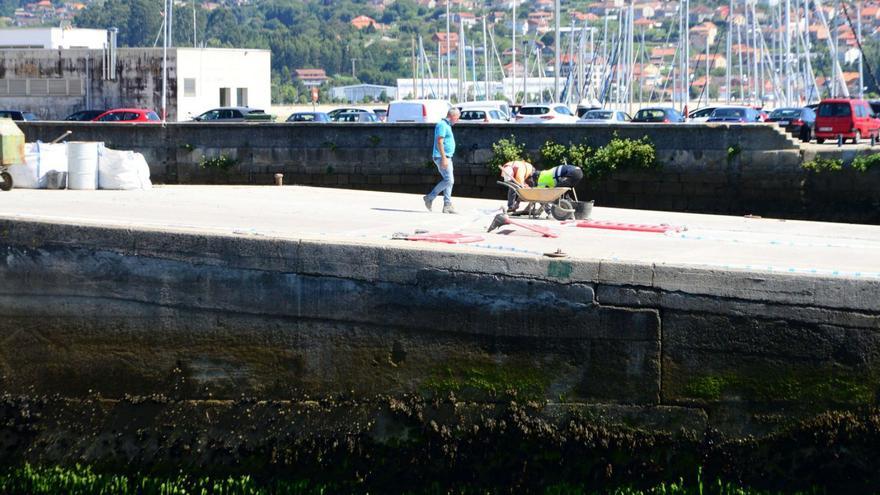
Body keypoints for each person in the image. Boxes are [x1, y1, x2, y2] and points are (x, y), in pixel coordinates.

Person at [423, 108, 460, 214]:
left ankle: (447, 205)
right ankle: (430, 197)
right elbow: (439, 142)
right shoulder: (442, 125)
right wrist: (444, 158)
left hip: (447, 157)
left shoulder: (447, 125)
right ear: (452, 116)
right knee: (449, 180)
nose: (457, 120)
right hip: (441, 157)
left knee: (449, 181)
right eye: (457, 118)